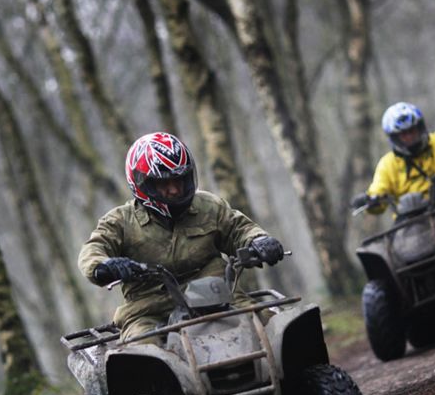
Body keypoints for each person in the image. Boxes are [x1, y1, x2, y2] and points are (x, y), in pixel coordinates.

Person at [78, 132, 285, 343]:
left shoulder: (208, 206)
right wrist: (103, 266)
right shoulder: (120, 221)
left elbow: (237, 228)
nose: (175, 190)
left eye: (179, 180)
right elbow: (94, 248)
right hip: (150, 310)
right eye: (164, 183)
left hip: (218, 294)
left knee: (273, 328)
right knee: (142, 354)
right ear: (142, 184)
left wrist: (259, 241)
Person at [351, 102, 435, 214]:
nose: (409, 137)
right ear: (395, 138)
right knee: (397, 239)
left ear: (420, 128)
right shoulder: (388, 164)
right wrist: (368, 200)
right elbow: (378, 191)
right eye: (403, 134)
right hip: (409, 219)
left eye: (412, 131)